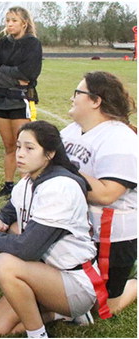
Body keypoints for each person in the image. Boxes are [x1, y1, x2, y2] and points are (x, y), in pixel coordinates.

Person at [0, 121, 100, 338]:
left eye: (29, 148)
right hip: (43, 274)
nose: (20, 154)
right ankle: (61, 315)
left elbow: (27, 249)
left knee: (4, 264)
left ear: (49, 154)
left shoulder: (61, 187)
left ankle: (38, 334)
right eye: (19, 146)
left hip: (74, 283)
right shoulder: (31, 179)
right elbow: (11, 208)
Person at [61, 71, 137, 315]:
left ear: (96, 100)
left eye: (78, 93)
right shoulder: (72, 130)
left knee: (100, 309)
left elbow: (106, 194)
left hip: (110, 235)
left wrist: (59, 169)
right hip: (76, 227)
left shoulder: (121, 139)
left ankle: (134, 284)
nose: (72, 98)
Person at [0, 6, 42, 197]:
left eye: (14, 20)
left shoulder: (32, 44)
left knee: (23, 145)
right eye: (8, 20)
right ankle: (8, 185)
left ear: (24, 23)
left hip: (21, 100)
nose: (9, 24)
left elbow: (28, 73)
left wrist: (4, 70)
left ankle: (27, 186)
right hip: (1, 99)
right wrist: (12, 76)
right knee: (9, 146)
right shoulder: (1, 44)